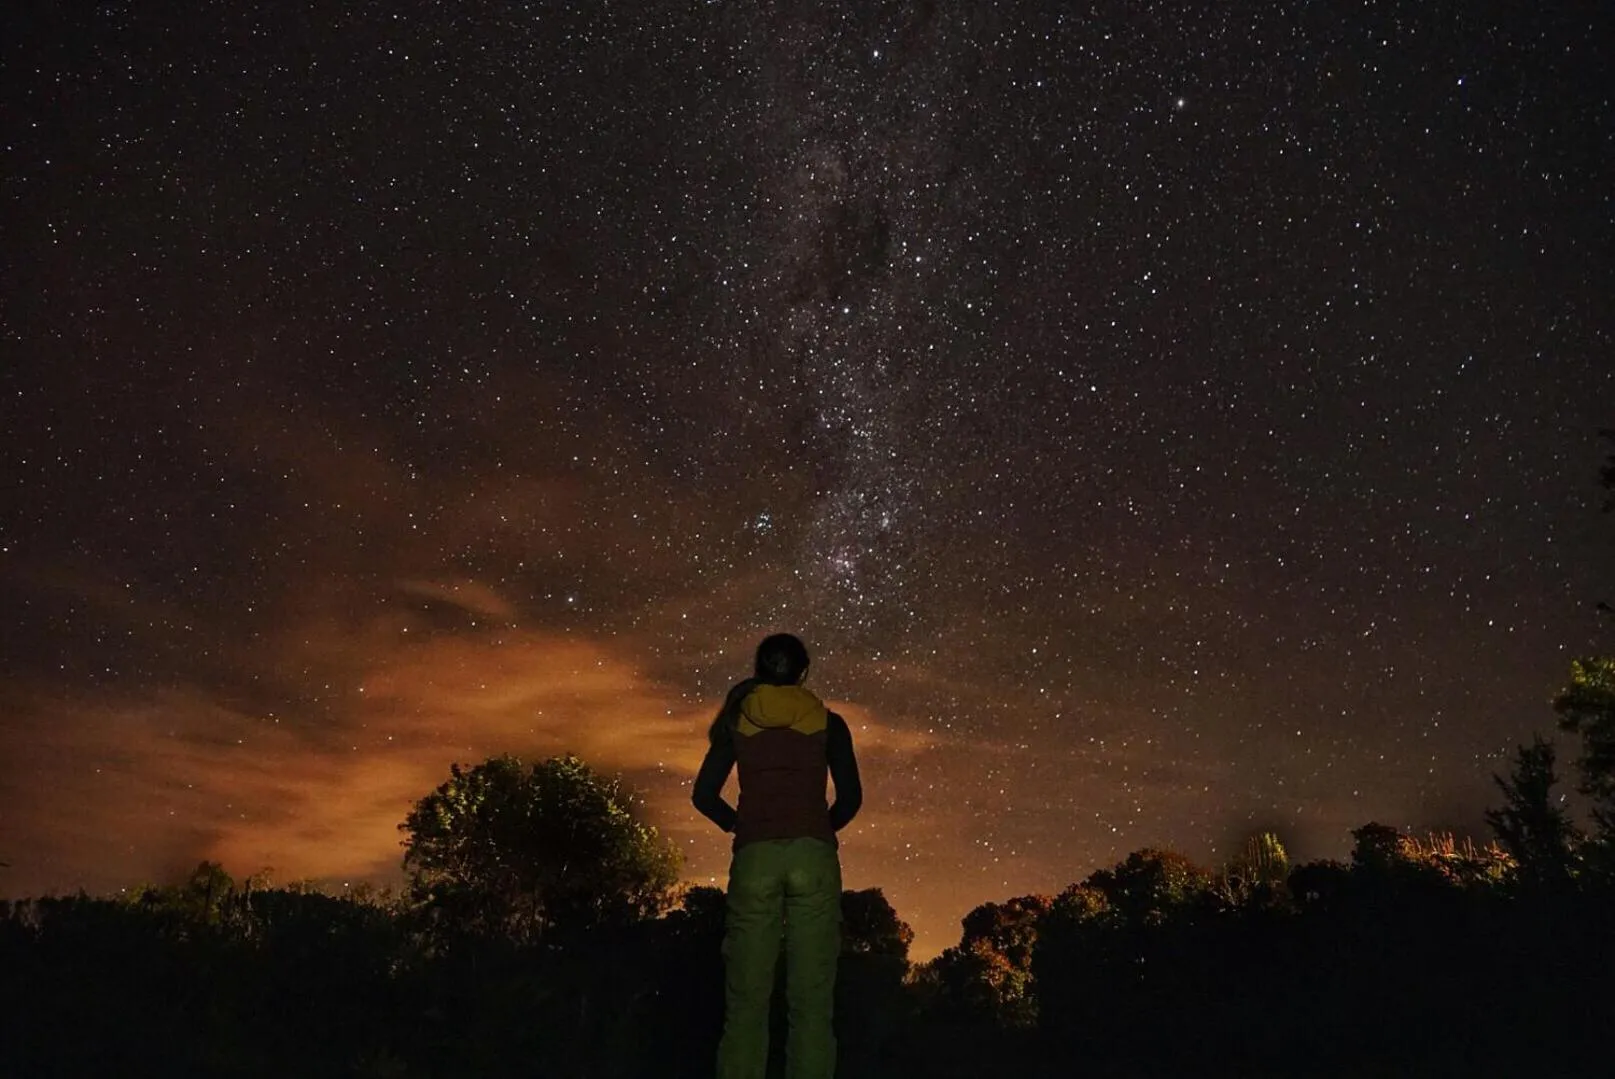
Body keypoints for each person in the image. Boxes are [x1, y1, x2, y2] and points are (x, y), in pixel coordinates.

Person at [692, 633, 863, 1079]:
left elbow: (704, 795)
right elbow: (850, 799)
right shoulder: (830, 723)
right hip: (813, 857)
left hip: (755, 858)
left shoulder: (738, 719)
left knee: (746, 998)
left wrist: (741, 825)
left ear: (759, 669)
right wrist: (817, 830)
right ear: (804, 672)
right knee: (812, 1000)